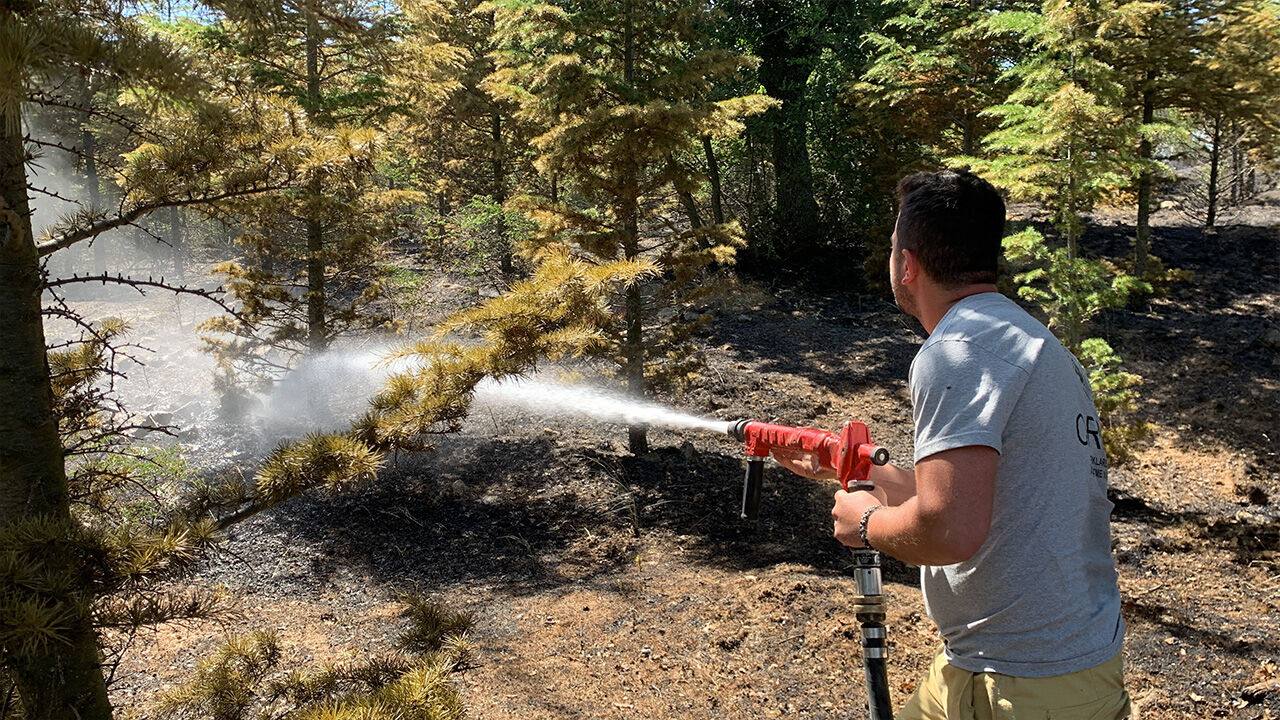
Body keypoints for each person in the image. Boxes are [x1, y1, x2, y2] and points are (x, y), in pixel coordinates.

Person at [776, 169, 1130, 719]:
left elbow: (949, 530)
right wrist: (846, 465)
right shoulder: (1024, 339)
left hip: (1026, 683)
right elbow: (973, 495)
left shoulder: (958, 350)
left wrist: (865, 521)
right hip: (1016, 663)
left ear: (908, 265)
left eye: (895, 245)